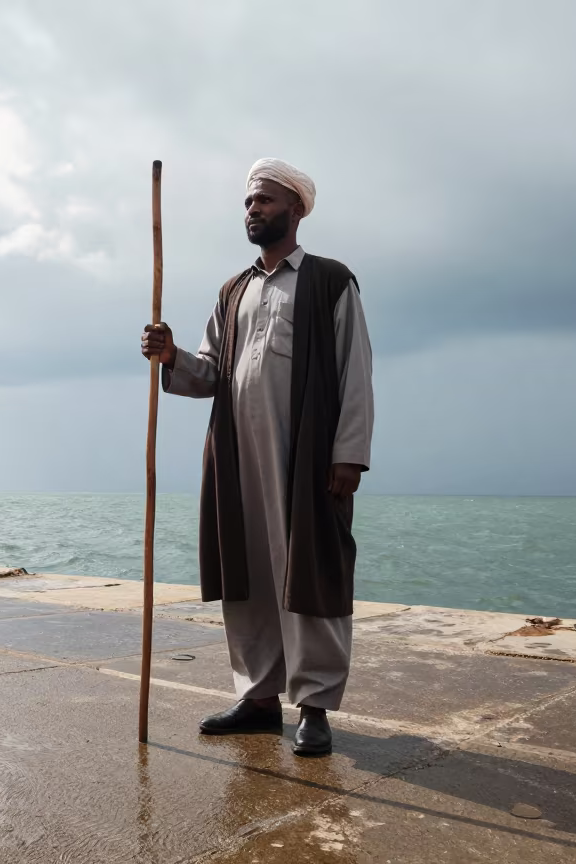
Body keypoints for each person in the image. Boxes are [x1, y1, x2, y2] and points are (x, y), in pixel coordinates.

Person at [140, 158, 374, 756]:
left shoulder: (329, 281)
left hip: (307, 458)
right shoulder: (233, 291)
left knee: (309, 575)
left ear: (296, 209)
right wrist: (170, 357)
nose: (254, 210)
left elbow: (355, 371)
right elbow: (210, 372)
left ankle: (314, 705)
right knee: (247, 575)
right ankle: (259, 695)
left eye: (265, 201)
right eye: (248, 202)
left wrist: (348, 453)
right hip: (237, 453)